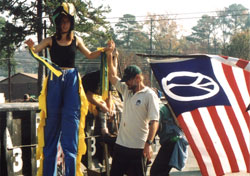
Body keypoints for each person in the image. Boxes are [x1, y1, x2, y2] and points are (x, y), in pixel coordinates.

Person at [24, 2, 114, 176]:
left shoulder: (76, 39)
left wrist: (105, 50)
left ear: (71, 22)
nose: (64, 24)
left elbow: (89, 54)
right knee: (51, 124)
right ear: (57, 23)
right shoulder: (50, 40)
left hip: (72, 81)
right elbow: (36, 50)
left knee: (71, 125)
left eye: (67, 21)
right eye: (61, 21)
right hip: (55, 80)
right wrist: (30, 46)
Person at [106, 50, 160, 176]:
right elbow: (112, 76)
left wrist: (149, 144)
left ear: (137, 78)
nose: (126, 84)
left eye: (128, 81)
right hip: (121, 145)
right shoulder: (127, 91)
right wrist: (110, 56)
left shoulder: (149, 95)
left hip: (138, 147)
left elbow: (154, 122)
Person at [150, 102, 189, 176]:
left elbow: (154, 127)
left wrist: (148, 142)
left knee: (157, 172)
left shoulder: (160, 109)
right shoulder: (166, 107)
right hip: (175, 141)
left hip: (171, 143)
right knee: (161, 171)